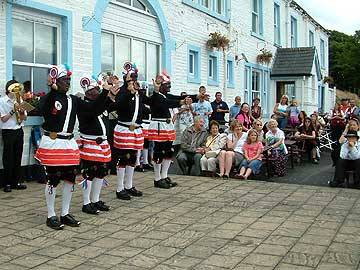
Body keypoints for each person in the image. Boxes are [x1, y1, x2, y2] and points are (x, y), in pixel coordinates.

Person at [35, 64, 113, 230]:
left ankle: (65, 212)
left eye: (69, 80)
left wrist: (105, 91)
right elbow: (42, 108)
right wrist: (53, 89)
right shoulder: (49, 98)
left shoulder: (74, 100)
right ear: (56, 80)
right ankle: (51, 215)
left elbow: (94, 109)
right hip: (53, 143)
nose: (68, 82)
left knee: (70, 179)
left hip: (68, 144)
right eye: (64, 80)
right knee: (53, 179)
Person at [148, 71, 194, 188]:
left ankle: (164, 176)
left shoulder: (165, 95)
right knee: (159, 151)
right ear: (160, 86)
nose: (169, 87)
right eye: (167, 85)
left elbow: (179, 97)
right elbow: (167, 103)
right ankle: (157, 178)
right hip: (159, 125)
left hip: (167, 125)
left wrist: (196, 97)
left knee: (169, 151)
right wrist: (181, 102)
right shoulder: (156, 97)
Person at [77, 74, 116, 214]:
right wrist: (105, 92)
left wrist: (114, 89)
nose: (97, 91)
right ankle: (86, 203)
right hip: (90, 144)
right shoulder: (83, 104)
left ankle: (95, 199)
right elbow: (94, 110)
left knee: (101, 172)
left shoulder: (100, 103)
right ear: (87, 92)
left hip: (102, 144)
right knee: (89, 173)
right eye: (95, 90)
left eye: (98, 89)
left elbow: (115, 104)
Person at [112, 63, 145, 200]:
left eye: (135, 77)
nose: (134, 80)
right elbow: (118, 105)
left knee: (132, 158)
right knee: (123, 158)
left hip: (135, 130)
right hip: (124, 129)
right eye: (131, 78)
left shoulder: (137, 93)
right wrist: (128, 92)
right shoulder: (122, 92)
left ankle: (129, 185)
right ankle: (119, 188)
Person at [0, 80, 27, 192]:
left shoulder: (20, 99)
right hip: (8, 131)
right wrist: (12, 111)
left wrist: (21, 110)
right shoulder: (2, 101)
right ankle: (7, 183)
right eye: (14, 89)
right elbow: (3, 119)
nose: (17, 91)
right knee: (8, 158)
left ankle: (16, 182)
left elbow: (24, 118)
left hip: (18, 130)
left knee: (18, 156)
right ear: (8, 90)